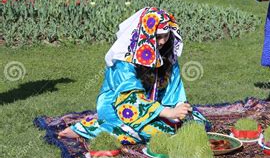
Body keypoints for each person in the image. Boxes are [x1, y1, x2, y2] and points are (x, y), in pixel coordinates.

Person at [59, 8, 209, 143]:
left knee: (198, 122)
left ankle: (157, 122)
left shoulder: (168, 55)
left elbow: (174, 90)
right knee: (157, 133)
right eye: (158, 37)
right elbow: (128, 100)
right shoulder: (124, 62)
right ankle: (88, 128)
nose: (163, 41)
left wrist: (179, 109)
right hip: (119, 106)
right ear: (146, 35)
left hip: (158, 107)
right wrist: (168, 113)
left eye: (166, 35)